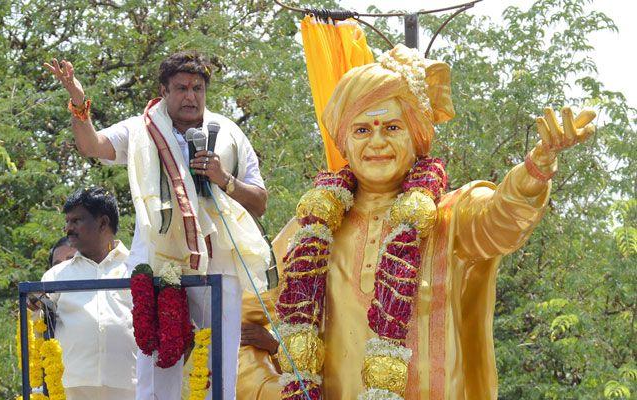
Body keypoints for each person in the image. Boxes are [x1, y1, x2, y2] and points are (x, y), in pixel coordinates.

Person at [239, 44, 597, 399]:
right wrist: (270, 389)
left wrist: (537, 167)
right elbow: (237, 319)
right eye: (362, 130)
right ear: (344, 143)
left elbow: (502, 219)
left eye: (392, 127)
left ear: (417, 137)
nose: (377, 142)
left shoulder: (451, 217)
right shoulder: (310, 232)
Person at [44, 50, 271, 400]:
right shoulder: (142, 129)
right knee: (155, 361)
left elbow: (259, 201)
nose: (190, 96)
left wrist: (223, 178)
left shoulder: (227, 133)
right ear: (164, 91)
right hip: (158, 260)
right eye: (181, 88)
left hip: (219, 260)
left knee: (220, 363)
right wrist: (77, 100)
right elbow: (92, 145)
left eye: (197, 88)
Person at [41, 187, 137, 399]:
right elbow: (38, 327)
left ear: (103, 223)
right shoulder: (55, 276)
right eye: (67, 222)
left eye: (76, 221)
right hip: (72, 387)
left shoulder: (137, 269)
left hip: (130, 386)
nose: (68, 229)